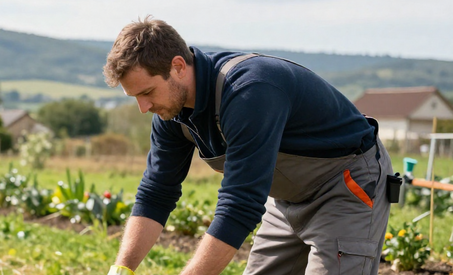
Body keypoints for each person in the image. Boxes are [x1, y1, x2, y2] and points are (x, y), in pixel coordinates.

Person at [103, 16, 392, 275]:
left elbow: (240, 203)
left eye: (148, 92)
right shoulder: (171, 112)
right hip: (286, 200)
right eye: (135, 97)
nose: (143, 107)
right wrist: (122, 268)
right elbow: (156, 193)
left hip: (346, 186)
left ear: (177, 66)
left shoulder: (248, 92)